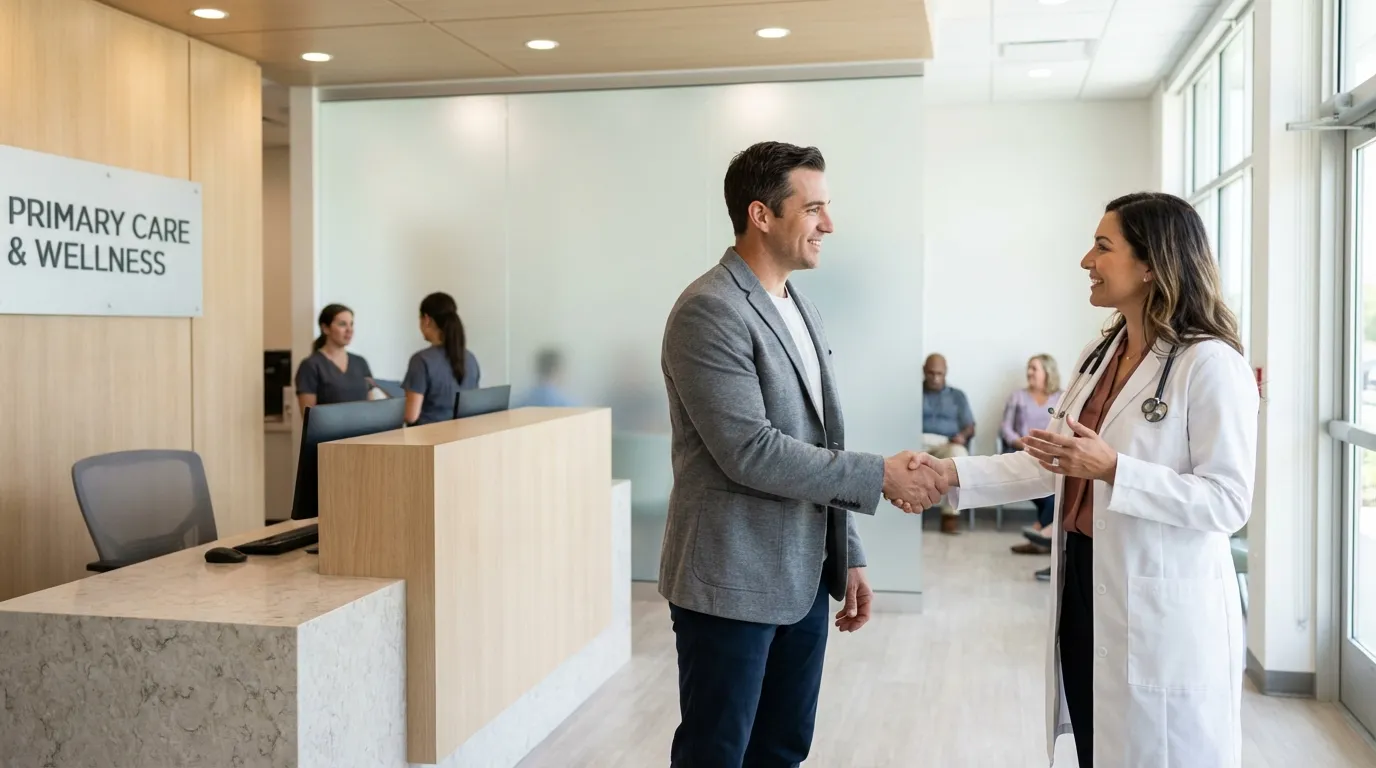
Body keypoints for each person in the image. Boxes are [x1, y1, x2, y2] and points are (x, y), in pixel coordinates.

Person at [921, 192, 1257, 767]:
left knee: (1154, 750)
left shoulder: (1210, 364)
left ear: (1152, 264)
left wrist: (1114, 470)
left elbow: (1228, 501)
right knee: (1093, 745)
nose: (1086, 261)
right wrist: (947, 473)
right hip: (1083, 579)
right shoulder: (1098, 354)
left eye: (1103, 247)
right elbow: (1048, 459)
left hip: (1157, 601)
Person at [659, 141, 945, 767]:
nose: (829, 224)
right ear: (762, 215)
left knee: (783, 749)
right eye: (814, 209)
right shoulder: (709, 310)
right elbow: (750, 452)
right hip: (730, 580)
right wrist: (879, 475)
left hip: (805, 574)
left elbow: (821, 439)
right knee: (717, 752)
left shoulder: (799, 306)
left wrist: (849, 554)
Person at [1002, 354, 1063, 555]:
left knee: (1053, 485)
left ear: (1048, 372)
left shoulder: (1062, 398)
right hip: (1022, 452)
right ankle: (1042, 534)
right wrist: (1020, 442)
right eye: (1028, 368)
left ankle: (1040, 532)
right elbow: (1006, 428)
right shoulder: (1017, 396)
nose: (1029, 372)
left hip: (1050, 454)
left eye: (1034, 369)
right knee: (1047, 487)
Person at [402, 292, 481, 425]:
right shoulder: (470, 358)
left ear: (426, 319)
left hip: (428, 441)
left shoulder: (420, 360)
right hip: (462, 439)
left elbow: (411, 416)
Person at [920, 353, 974, 533]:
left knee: (959, 456)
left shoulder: (957, 396)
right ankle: (911, 513)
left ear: (946, 373)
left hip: (946, 443)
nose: (935, 378)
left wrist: (963, 436)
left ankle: (950, 516)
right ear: (924, 371)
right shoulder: (913, 392)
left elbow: (970, 425)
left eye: (939, 374)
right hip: (917, 441)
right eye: (931, 373)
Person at [294, 303, 378, 412]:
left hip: (364, 428)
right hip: (329, 429)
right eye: (342, 324)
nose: (349, 330)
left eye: (351, 324)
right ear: (325, 328)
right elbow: (310, 419)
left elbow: (371, 407)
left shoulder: (360, 363)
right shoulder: (311, 365)